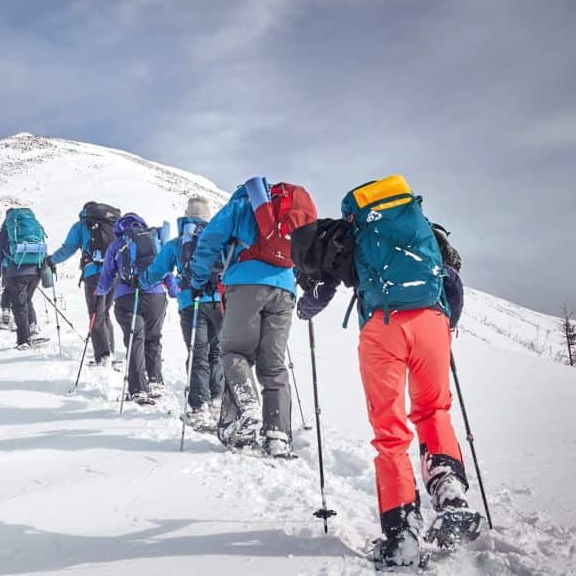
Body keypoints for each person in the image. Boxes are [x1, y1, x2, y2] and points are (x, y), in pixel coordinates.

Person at [292, 175, 479, 568]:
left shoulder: (354, 234)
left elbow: (320, 288)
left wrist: (306, 307)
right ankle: (450, 493)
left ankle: (401, 538)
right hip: (432, 323)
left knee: (390, 433)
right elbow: (454, 278)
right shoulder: (421, 228)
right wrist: (446, 324)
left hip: (383, 330)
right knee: (434, 411)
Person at [187, 177, 297, 457]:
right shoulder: (284, 212)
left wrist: (198, 280)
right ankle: (277, 436)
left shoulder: (237, 208)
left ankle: (248, 408)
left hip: (246, 285)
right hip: (285, 287)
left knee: (235, 351)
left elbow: (208, 242)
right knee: (274, 364)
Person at [141, 197, 225, 430]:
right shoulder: (220, 237)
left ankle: (199, 408)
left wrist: (143, 281)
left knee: (197, 353)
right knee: (217, 352)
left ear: (187, 217)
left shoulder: (179, 243)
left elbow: (158, 270)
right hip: (220, 302)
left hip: (191, 303)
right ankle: (218, 401)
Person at [96, 213, 177, 405]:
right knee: (153, 338)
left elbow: (107, 275)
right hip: (156, 297)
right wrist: (173, 291)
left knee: (135, 340)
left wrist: (100, 292)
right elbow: (166, 270)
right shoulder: (155, 239)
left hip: (127, 297)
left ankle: (138, 389)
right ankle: (156, 381)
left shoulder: (117, 244)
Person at [46, 202, 120, 366]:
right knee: (105, 312)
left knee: (96, 315)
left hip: (94, 274)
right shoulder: (112, 224)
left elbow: (68, 249)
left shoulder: (81, 225)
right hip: (114, 274)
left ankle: (103, 357)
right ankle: (110, 352)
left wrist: (51, 260)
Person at [0, 207, 48, 350]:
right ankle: (32, 328)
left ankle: (23, 341)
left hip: (17, 270)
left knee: (19, 305)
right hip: (36, 270)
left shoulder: (7, 227)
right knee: (26, 300)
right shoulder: (33, 224)